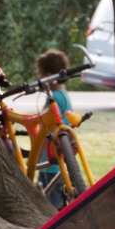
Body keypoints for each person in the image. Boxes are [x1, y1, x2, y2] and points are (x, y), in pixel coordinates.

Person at [35, 49, 75, 205]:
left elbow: (50, 130)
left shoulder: (56, 98)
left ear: (49, 75)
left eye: (40, 74)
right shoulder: (61, 95)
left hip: (52, 164)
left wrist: (37, 152)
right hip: (51, 163)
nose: (39, 78)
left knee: (54, 205)